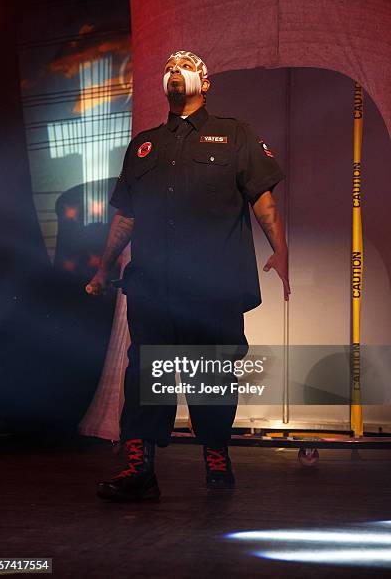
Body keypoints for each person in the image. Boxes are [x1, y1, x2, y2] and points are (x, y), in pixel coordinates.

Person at [86, 50, 290, 502]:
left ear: (205, 81)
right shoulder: (145, 144)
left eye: (185, 67)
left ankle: (216, 453)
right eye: (168, 69)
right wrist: (104, 265)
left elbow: (263, 198)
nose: (174, 73)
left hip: (212, 285)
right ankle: (139, 466)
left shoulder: (234, 134)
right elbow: (127, 216)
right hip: (152, 285)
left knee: (211, 373)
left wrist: (281, 249)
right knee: (146, 373)